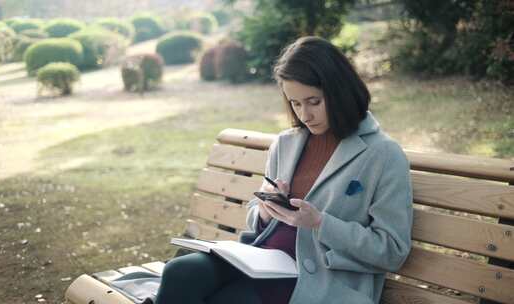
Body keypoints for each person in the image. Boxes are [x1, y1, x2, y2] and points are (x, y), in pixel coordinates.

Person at [153, 36, 413, 304]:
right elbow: (257, 213)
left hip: (319, 280)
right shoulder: (286, 143)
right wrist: (264, 210)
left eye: (314, 102)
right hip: (259, 262)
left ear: (340, 91)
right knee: (180, 271)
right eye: (295, 104)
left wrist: (320, 223)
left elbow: (392, 250)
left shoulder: (383, 155)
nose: (305, 115)